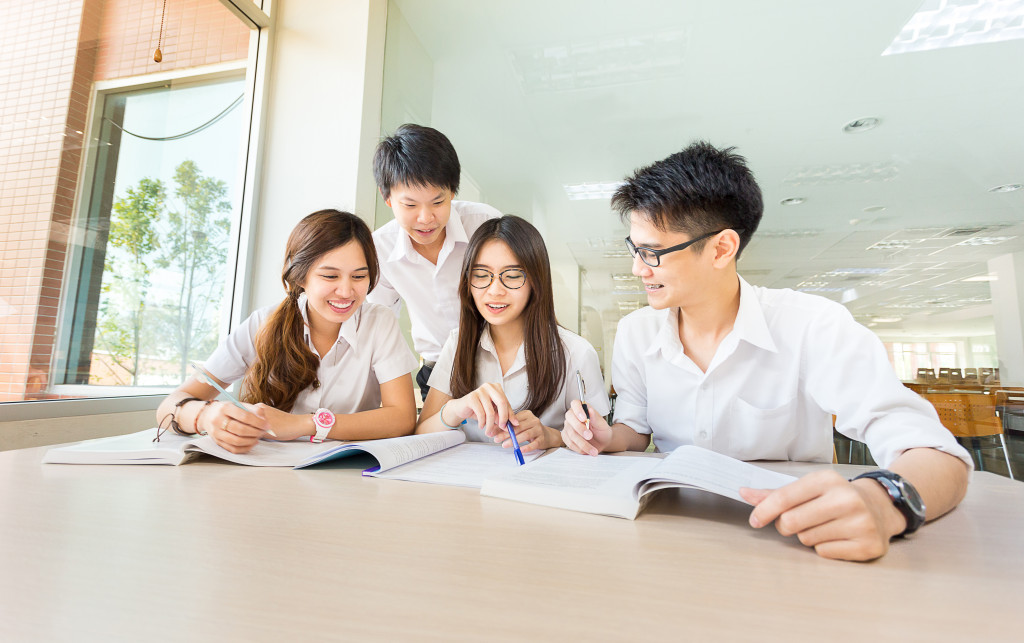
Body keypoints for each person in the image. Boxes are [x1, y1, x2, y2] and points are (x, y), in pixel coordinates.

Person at [561, 142, 972, 561]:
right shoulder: (635, 332)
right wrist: (609, 436)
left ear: (722, 248)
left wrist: (881, 504)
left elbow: (938, 456)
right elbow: (636, 431)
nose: (637, 268)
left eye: (653, 253)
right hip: (670, 534)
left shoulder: (812, 325)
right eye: (634, 249)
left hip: (788, 538)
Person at [156, 209, 418, 453]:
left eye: (359, 277)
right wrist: (206, 416)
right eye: (330, 276)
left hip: (346, 473)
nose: (347, 291)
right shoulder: (263, 323)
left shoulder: (378, 322)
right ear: (300, 277)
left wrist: (306, 424)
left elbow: (402, 418)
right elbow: (168, 407)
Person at [416, 215, 609, 453]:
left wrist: (552, 437)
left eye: (513, 276)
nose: (495, 290)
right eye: (481, 275)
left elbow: (598, 444)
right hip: (467, 486)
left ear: (535, 281)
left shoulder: (576, 352)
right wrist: (456, 409)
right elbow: (420, 434)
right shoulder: (458, 343)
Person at [367, 124, 501, 400]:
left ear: (453, 192)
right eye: (410, 205)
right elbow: (380, 325)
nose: (426, 218)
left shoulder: (484, 225)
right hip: (436, 372)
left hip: (498, 364)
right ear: (387, 198)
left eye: (438, 202)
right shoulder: (379, 249)